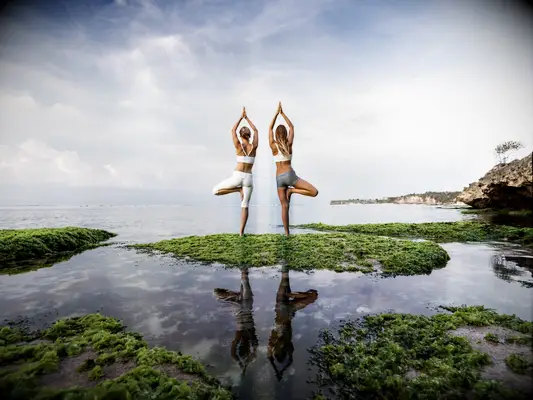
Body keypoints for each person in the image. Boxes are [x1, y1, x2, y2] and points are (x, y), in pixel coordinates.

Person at [269, 102, 318, 236]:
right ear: (285, 134)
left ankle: (287, 234)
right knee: (314, 192)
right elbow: (291, 126)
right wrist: (282, 113)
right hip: (290, 175)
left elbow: (270, 128)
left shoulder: (273, 146)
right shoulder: (289, 144)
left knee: (284, 207)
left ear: (276, 135)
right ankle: (292, 191)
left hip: (279, 179)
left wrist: (276, 113)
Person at [213, 107, 259, 236]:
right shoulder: (254, 147)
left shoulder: (239, 146)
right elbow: (256, 130)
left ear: (240, 135)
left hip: (237, 177)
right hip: (249, 178)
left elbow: (232, 129)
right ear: (249, 135)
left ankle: (237, 190)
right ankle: (241, 233)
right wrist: (247, 118)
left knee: (215, 191)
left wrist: (241, 117)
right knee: (245, 205)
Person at [267, 266, 318, 381]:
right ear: (283, 349)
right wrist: (281, 370)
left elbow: (270, 359)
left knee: (284, 279)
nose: (278, 346)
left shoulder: (271, 345)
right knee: (313, 296)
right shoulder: (288, 345)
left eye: (276, 349)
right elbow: (290, 360)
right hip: (290, 310)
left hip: (280, 307)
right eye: (280, 348)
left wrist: (277, 370)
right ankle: (292, 292)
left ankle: (285, 266)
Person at [213, 268, 258, 376]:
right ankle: (243, 269)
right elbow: (234, 352)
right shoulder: (243, 336)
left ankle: (243, 269)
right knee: (244, 284)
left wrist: (244, 362)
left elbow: (252, 346)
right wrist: (240, 363)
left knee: (245, 283)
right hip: (239, 308)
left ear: (247, 348)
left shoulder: (244, 334)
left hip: (244, 307)